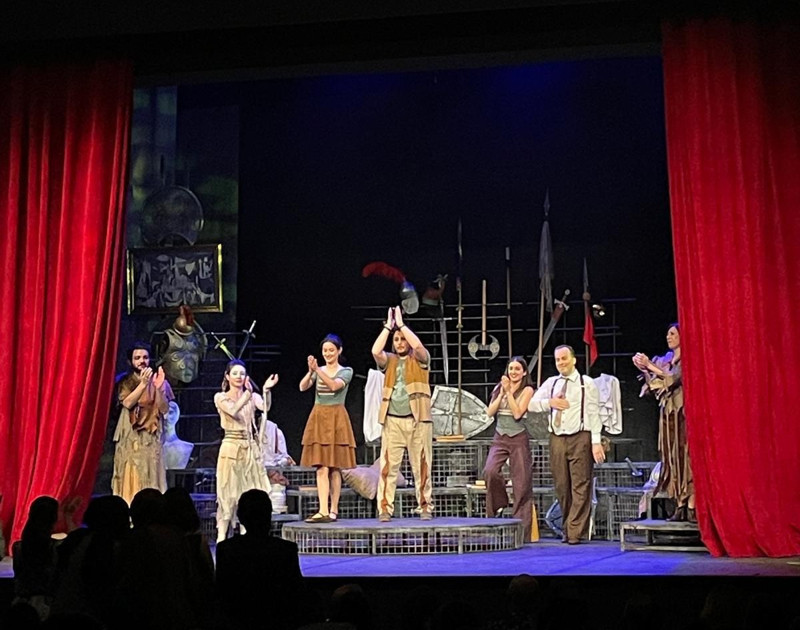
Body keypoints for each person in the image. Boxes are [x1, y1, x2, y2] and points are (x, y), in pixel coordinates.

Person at [528, 345, 604, 544]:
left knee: (581, 484)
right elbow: (531, 404)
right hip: (557, 438)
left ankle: (574, 531)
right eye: (558, 360)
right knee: (562, 485)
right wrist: (550, 403)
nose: (561, 362)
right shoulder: (552, 383)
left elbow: (594, 413)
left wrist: (596, 441)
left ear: (574, 360)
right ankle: (568, 526)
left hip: (580, 436)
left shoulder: (585, 383)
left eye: (564, 358)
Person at [372, 306, 433, 521]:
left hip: (418, 421)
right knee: (388, 467)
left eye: (403, 339)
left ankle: (425, 506)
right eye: (396, 340)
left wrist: (402, 325)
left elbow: (418, 346)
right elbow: (375, 351)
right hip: (393, 421)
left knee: (422, 466)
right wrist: (389, 327)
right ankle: (385, 509)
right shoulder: (389, 360)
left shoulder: (420, 359)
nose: (400, 343)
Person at [215, 489, 305, 630]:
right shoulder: (286, 550)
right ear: (268, 516)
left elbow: (221, 594)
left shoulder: (226, 549)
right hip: (278, 621)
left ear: (241, 517)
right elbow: (296, 592)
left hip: (237, 620)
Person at [633, 322, 694, 522]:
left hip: (683, 413)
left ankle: (691, 505)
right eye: (668, 334)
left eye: (673, 333)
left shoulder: (688, 359)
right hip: (668, 414)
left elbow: (673, 378)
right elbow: (654, 386)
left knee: (686, 457)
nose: (669, 337)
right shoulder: (665, 360)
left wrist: (651, 365)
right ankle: (679, 504)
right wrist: (645, 369)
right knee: (672, 458)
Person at [214, 360, 276, 541]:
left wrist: (266, 391)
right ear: (227, 376)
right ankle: (221, 538)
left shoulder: (252, 396)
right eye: (235, 373)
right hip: (230, 448)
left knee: (248, 493)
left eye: (242, 373)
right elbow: (233, 411)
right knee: (227, 495)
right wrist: (248, 394)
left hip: (249, 449)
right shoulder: (220, 397)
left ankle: (245, 537)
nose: (239, 377)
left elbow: (265, 407)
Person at [299, 334, 357, 522]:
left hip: (336, 417)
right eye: (325, 350)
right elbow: (302, 387)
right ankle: (323, 509)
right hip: (319, 417)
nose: (328, 353)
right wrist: (311, 371)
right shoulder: (319, 370)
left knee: (334, 467)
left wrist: (318, 370)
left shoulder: (346, 371)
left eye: (331, 350)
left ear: (339, 351)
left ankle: (333, 510)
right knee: (321, 466)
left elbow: (333, 386)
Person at [112, 341, 174, 505]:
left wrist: (158, 388)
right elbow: (127, 403)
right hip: (131, 436)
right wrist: (144, 384)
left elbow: (164, 408)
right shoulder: (125, 381)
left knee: (152, 471)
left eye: (145, 357)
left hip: (151, 436)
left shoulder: (159, 380)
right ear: (130, 361)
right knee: (132, 471)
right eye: (137, 358)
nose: (142, 361)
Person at [483, 357, 535, 540]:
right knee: (490, 471)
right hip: (500, 436)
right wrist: (502, 393)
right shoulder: (500, 387)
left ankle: (522, 532)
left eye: (517, 369)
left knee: (521, 483)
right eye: (511, 368)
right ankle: (499, 504)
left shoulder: (527, 390)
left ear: (524, 372)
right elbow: (490, 412)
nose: (513, 372)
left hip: (518, 437)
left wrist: (510, 394)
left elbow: (518, 413)